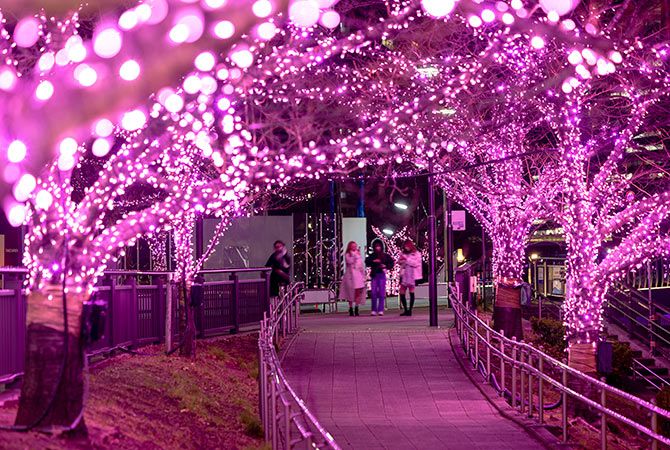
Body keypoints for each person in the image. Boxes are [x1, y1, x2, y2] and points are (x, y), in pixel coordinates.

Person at [365, 240, 394, 316]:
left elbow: (391, 263)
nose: (378, 248)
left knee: (381, 292)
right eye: (376, 246)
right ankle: (374, 309)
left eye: (379, 246)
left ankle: (381, 309)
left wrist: (385, 266)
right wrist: (373, 261)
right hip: (374, 275)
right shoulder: (372, 255)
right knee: (374, 293)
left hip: (381, 274)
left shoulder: (385, 255)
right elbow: (367, 262)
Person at [340, 241, 366, 316]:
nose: (354, 247)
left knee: (358, 292)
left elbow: (360, 265)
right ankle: (351, 308)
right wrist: (355, 256)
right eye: (353, 246)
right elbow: (349, 261)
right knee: (350, 292)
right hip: (350, 275)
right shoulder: (348, 254)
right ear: (350, 247)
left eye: (355, 246)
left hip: (358, 276)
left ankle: (356, 307)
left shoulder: (358, 255)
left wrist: (363, 275)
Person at [398, 240, 422, 316]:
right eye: (405, 246)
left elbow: (416, 264)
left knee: (411, 291)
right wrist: (401, 261)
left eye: (407, 246)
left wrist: (406, 259)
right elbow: (400, 262)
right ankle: (405, 309)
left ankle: (410, 310)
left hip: (412, 275)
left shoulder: (416, 254)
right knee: (402, 291)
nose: (406, 248)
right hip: (405, 274)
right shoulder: (403, 253)